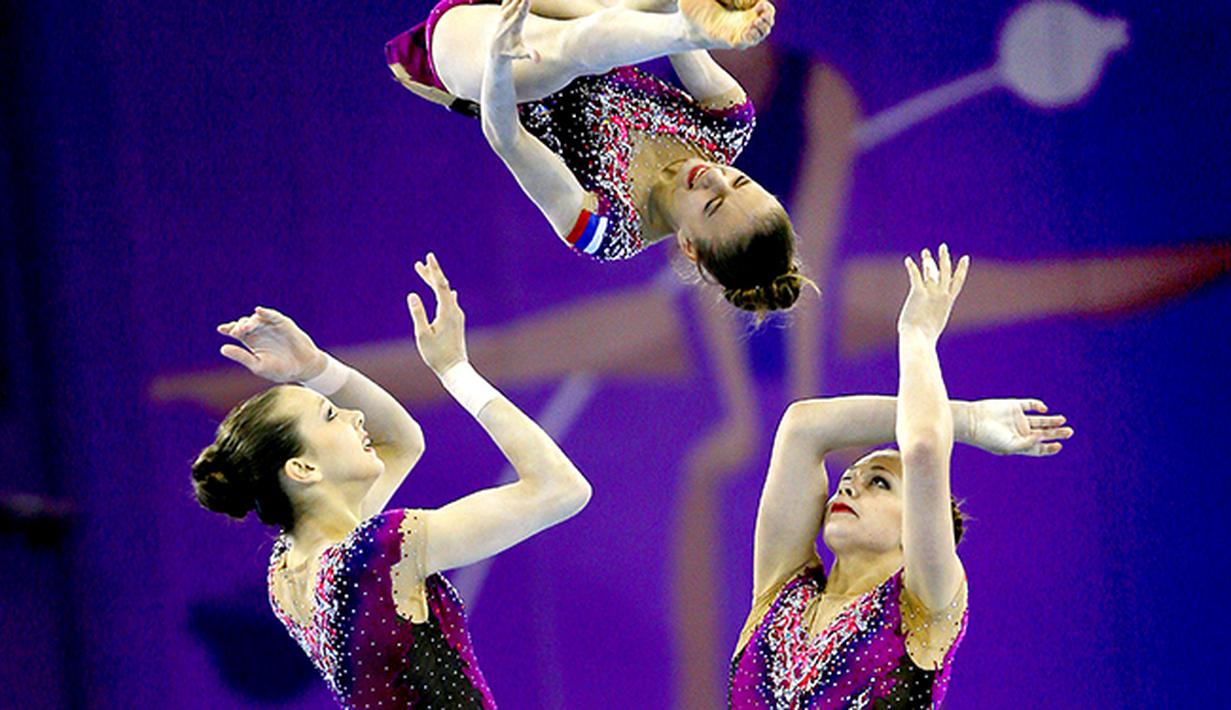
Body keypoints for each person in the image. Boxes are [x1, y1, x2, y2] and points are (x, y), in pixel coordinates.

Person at [190, 254, 592, 708]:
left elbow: (400, 440)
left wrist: (314, 367)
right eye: (329, 414)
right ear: (302, 470)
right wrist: (456, 372)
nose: (353, 413)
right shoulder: (380, 552)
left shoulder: (289, 570)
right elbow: (560, 489)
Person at [728, 245, 1074, 707]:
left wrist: (916, 334)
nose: (849, 484)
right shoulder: (779, 590)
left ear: (916, 527)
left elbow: (924, 448)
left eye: (880, 482)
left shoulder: (923, 605)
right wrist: (965, 417)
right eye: (852, 475)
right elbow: (802, 427)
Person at [385, 0, 809, 316]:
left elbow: (507, 138)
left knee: (570, 52)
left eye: (713, 205)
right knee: (605, 31)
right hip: (578, 12)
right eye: (740, 181)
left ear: (690, 247)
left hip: (496, 62)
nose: (713, 178)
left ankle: (694, 31)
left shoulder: (610, 230)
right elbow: (666, 15)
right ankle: (693, 30)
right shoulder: (727, 126)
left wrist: (497, 65)